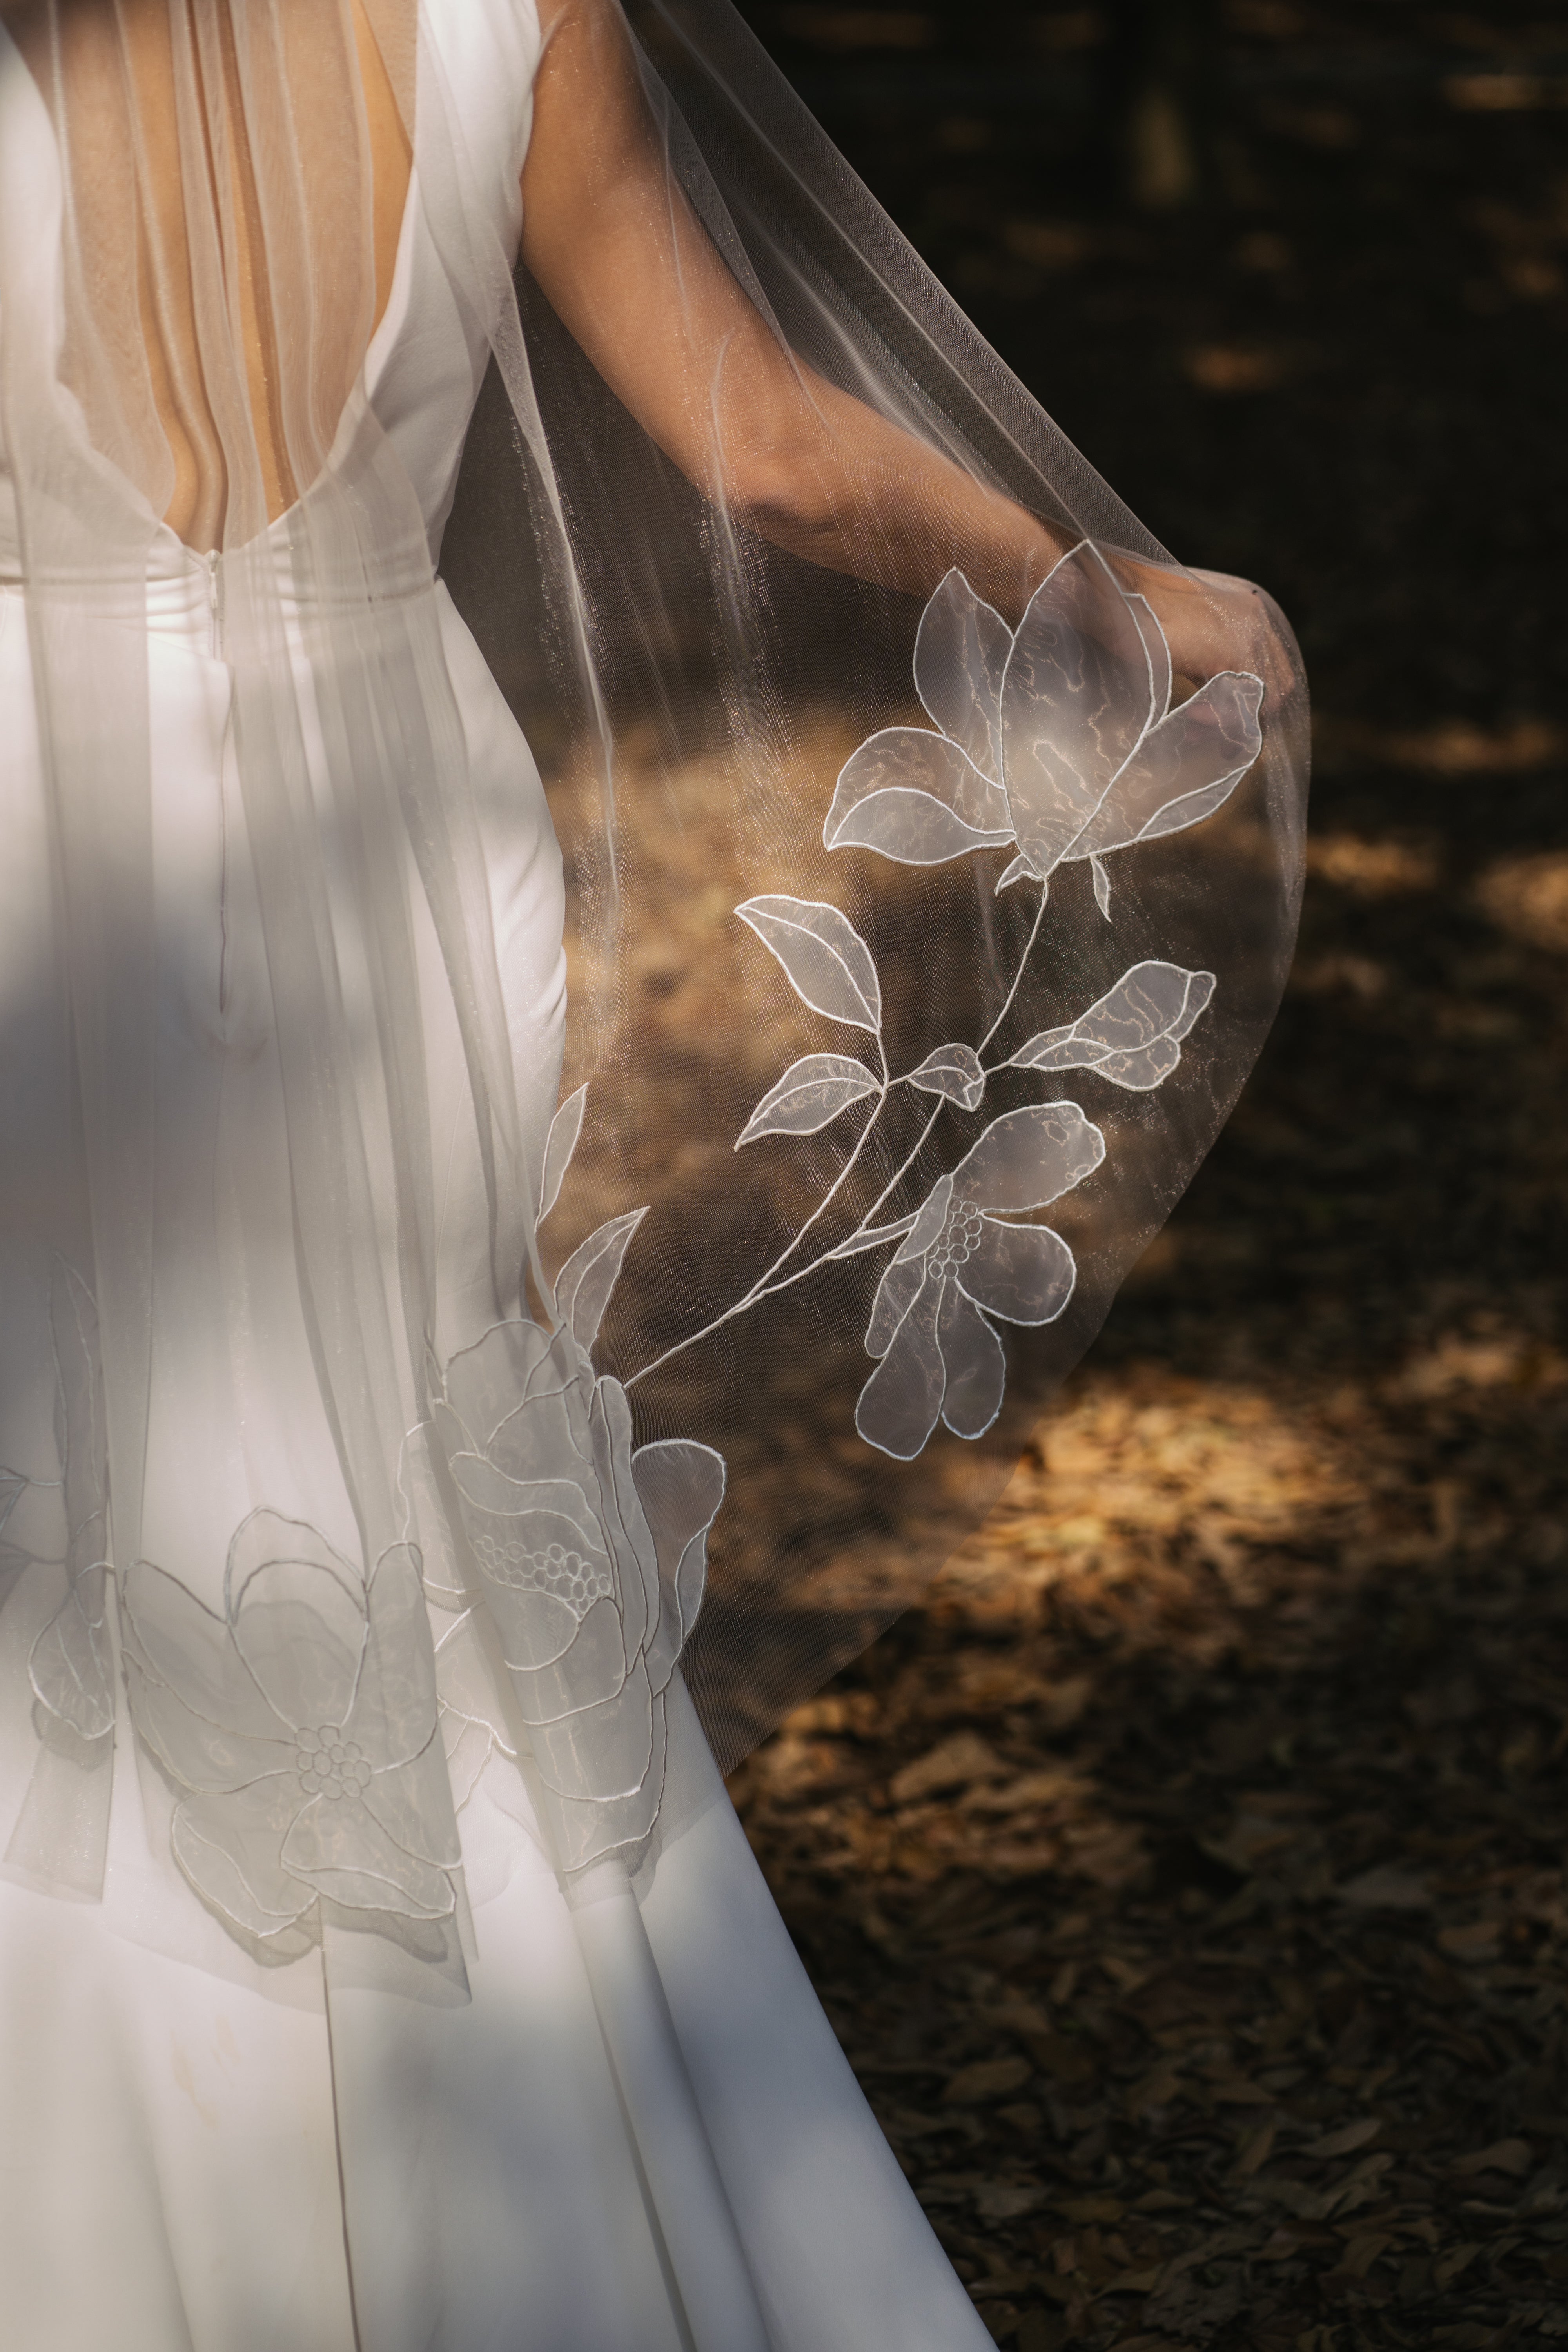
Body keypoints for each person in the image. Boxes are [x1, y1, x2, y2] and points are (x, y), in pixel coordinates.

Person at [0, 2, 1308, 2346]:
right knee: (405, 1490)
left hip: (43, 883)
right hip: (381, 856)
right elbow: (767, 440)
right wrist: (1076, 569)